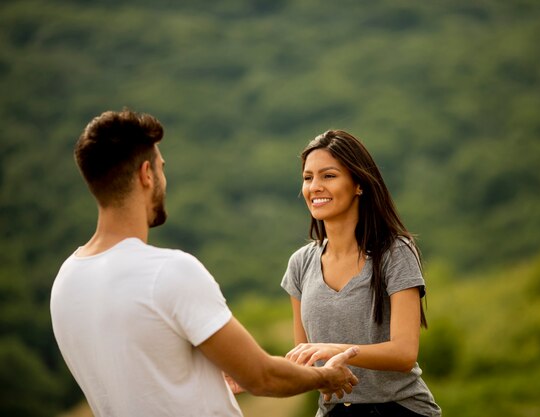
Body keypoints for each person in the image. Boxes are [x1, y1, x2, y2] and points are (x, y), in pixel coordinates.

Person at [50, 110, 359, 417]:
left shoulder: (66, 280)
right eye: (161, 168)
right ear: (146, 174)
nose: (163, 178)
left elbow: (144, 370)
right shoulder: (170, 271)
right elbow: (264, 377)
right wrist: (327, 377)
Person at [281, 130, 441, 417]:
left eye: (328, 176)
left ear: (358, 184)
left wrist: (332, 348)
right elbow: (304, 358)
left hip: (398, 409)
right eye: (308, 178)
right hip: (332, 411)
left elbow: (404, 354)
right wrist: (248, 375)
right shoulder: (300, 264)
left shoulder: (395, 251)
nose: (315, 186)